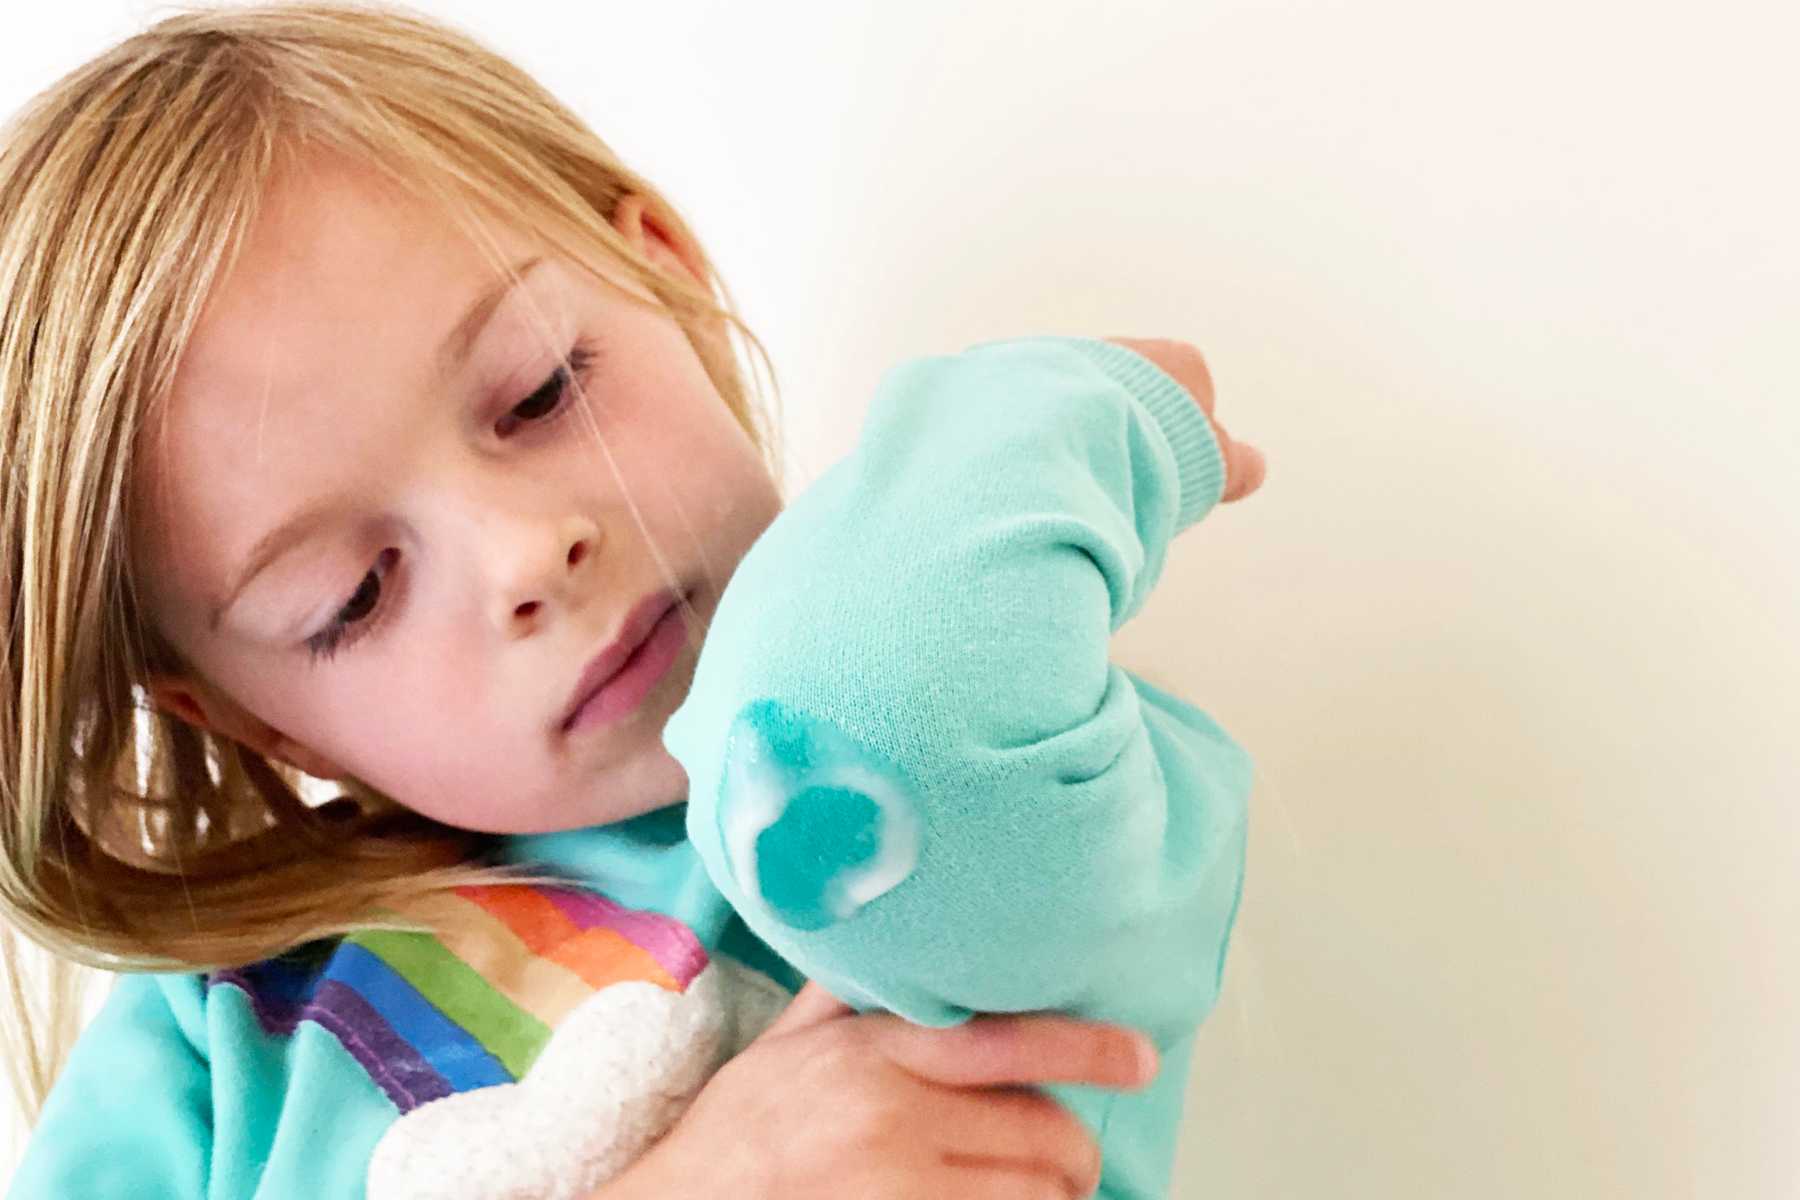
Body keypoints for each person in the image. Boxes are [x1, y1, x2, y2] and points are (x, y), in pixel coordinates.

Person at [0, 4, 1266, 1198]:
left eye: (542, 390)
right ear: (255, 723)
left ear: (658, 270)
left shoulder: (1015, 768)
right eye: (356, 594)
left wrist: (1058, 431)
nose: (525, 556)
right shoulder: (211, 1030)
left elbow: (889, 697)